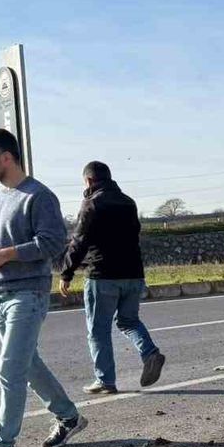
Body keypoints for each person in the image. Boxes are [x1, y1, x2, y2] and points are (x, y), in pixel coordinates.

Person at [0, 128, 85, 447]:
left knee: (10, 369)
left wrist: (4, 255)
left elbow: (53, 243)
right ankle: (69, 416)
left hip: (28, 294)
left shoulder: (39, 196)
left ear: (6, 158)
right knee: (28, 364)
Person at [59, 161, 166, 395]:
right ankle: (150, 353)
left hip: (102, 275)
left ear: (88, 180)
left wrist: (66, 273)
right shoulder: (128, 202)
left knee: (98, 330)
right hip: (133, 274)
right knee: (129, 321)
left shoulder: (92, 203)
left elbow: (79, 241)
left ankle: (105, 380)